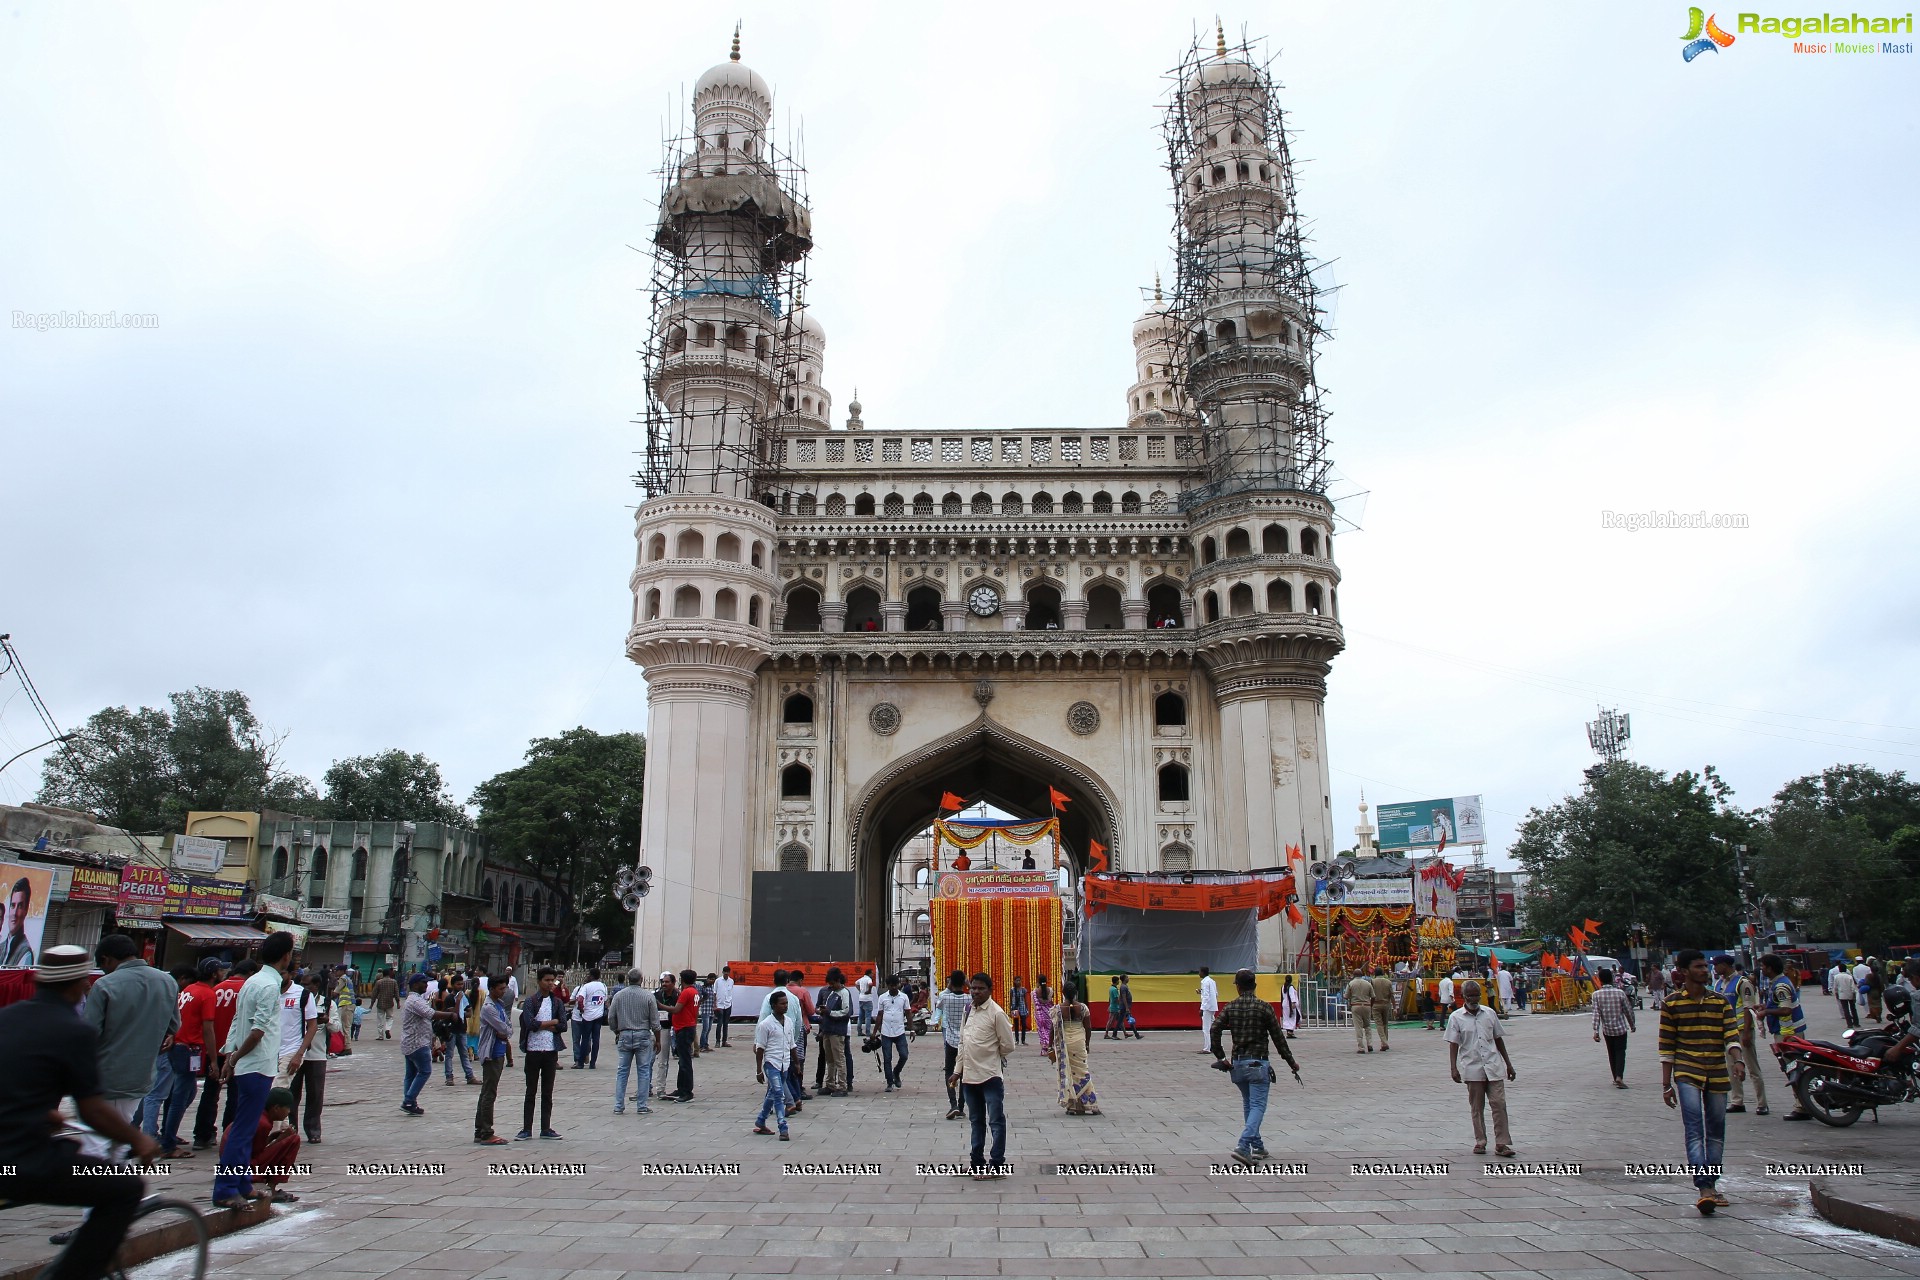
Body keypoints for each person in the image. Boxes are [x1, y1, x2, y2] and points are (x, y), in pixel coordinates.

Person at [0, 946, 158, 1280]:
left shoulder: (8, 1018)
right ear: (78, 984)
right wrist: (139, 1139)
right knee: (125, 1189)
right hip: (24, 1161)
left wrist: (43, 1112)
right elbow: (93, 1111)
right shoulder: (74, 1030)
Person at [215, 930, 295, 1209]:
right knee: (242, 1130)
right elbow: (257, 1030)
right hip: (257, 1064)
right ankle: (226, 1188)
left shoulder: (252, 981)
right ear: (287, 956)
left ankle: (242, 1184)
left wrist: (229, 1055)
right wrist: (234, 1058)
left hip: (251, 1062)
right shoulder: (269, 986)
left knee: (245, 1129)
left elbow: (239, 1021)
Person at [1659, 949, 1741, 1214]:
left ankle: (1713, 1184)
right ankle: (1704, 1187)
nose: (1705, 971)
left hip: (1717, 1071)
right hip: (1686, 1072)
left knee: (1716, 1131)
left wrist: (1737, 1059)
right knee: (1694, 1129)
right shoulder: (1671, 1004)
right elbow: (1667, 1046)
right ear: (1683, 972)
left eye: (1705, 966)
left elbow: (1731, 1033)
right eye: (1698, 967)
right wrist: (1666, 1084)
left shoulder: (1720, 1002)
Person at [85, 934, 180, 1156]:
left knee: (96, 1140)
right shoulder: (167, 982)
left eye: (102, 966)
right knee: (122, 1132)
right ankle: (118, 1186)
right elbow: (174, 1024)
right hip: (141, 1074)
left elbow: (89, 1034)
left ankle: (100, 1185)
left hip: (104, 1075)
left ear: (107, 959)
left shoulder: (104, 985)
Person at [1210, 967, 1301, 1164]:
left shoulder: (1230, 1007)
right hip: (1259, 1063)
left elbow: (1214, 1028)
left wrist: (1221, 1056)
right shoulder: (1264, 1007)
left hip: (1238, 1064)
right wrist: (1291, 1062)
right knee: (1258, 1105)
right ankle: (1243, 1146)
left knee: (1249, 1104)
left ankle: (1257, 1146)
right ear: (1255, 985)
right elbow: (1278, 1039)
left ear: (1238, 987)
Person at [948, 972, 1016, 1178]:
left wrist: (991, 1057)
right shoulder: (968, 1010)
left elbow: (1008, 1045)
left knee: (995, 1121)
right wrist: (957, 1071)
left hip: (990, 1077)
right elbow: (962, 1043)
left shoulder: (996, 1013)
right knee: (976, 1121)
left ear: (990, 990)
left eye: (980, 989)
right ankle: (977, 1163)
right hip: (969, 1078)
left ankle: (997, 1166)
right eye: (973, 988)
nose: (975, 992)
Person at [1445, 980, 1516, 1158]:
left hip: (1493, 1066)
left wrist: (1508, 1063)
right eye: (1470, 995)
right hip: (1472, 1068)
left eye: (1476, 995)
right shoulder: (1456, 1017)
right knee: (1477, 1107)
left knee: (1499, 1104)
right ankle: (1481, 1141)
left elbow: (1498, 1039)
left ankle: (1502, 1143)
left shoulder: (1489, 1014)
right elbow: (1453, 1044)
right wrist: (1453, 1068)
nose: (1474, 998)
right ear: (1464, 997)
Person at [225, 1086, 303, 1204]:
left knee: (288, 1141)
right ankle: (271, 1188)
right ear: (276, 1108)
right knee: (293, 1140)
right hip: (241, 1167)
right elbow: (257, 1154)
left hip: (233, 1163)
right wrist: (282, 1139)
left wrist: (272, 1138)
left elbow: (253, 1147)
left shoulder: (258, 1114)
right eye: (287, 1108)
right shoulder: (263, 1123)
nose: (289, 1112)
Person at [516, 967, 568, 1139]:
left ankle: (545, 1128)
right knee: (531, 1091)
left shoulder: (557, 1002)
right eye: (546, 980)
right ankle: (526, 1128)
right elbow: (530, 1024)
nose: (550, 983)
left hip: (550, 1051)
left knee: (547, 1092)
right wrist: (551, 1022)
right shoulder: (531, 1001)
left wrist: (546, 1024)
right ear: (539, 981)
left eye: (552, 980)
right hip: (533, 1050)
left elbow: (563, 1025)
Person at [1758, 953, 1810, 1120]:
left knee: (1793, 1068)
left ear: (1770, 968)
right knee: (1792, 1068)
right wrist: (1765, 1006)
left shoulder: (1781, 986)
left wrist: (1766, 1011)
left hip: (1788, 1032)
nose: (1761, 969)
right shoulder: (1779, 983)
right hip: (1787, 1031)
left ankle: (1802, 1106)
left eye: (1763, 966)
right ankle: (1802, 1103)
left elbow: (1786, 1010)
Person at [607, 967, 660, 1117]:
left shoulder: (619, 996)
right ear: (641, 979)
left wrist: (616, 1030)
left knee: (622, 1071)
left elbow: (611, 1017)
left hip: (624, 1033)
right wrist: (657, 1039)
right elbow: (655, 1021)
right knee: (643, 1071)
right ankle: (641, 1105)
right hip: (643, 1034)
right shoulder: (648, 996)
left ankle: (618, 1105)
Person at [283, 970, 327, 1144]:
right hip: (294, 1054)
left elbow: (336, 1028)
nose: (304, 987)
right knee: (291, 1094)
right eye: (301, 983)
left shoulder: (327, 1002)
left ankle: (313, 1129)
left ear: (316, 986)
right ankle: (291, 1128)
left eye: (307, 984)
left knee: (315, 1095)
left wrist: (327, 1021)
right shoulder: (295, 999)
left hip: (316, 1055)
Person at [472, 972, 515, 1144]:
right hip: (492, 1053)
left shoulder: (499, 1003)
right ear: (492, 989)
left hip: (499, 1050)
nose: (503, 991)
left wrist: (505, 1032)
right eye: (500, 988)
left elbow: (508, 1028)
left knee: (487, 1092)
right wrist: (505, 1032)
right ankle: (486, 1131)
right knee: (489, 1093)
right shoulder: (489, 1007)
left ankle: (480, 1129)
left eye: (505, 988)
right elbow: (503, 1028)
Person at [1046, 982, 1099, 1115]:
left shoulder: (1057, 1009)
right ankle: (1090, 1104)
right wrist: (1087, 1044)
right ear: (1075, 993)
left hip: (1065, 1045)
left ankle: (1074, 1106)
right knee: (1083, 1072)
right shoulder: (1083, 1008)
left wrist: (1049, 1046)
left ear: (1063, 993)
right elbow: (1088, 1027)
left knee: (1070, 1074)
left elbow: (1052, 1029)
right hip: (1079, 1042)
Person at [1724, 960, 1769, 1116]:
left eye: (1717, 965)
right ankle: (1737, 1101)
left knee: (1752, 1067)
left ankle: (1762, 1103)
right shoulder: (1720, 984)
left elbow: (1748, 1007)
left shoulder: (1743, 983)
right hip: (1729, 1031)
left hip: (1743, 1030)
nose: (1714, 969)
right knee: (1731, 1067)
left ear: (1726, 965)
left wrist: (1748, 1031)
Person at [753, 989, 797, 1140]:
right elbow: (760, 1049)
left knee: (772, 1094)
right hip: (771, 1063)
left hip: (785, 1064)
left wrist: (796, 1063)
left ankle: (761, 1121)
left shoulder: (789, 1022)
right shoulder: (766, 1025)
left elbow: (792, 1045)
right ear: (773, 1005)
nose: (785, 1006)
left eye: (786, 1003)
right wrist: (759, 1070)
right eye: (782, 1004)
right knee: (779, 1094)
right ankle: (783, 1127)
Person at [398, 974, 438, 1117]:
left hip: (410, 1042)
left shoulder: (416, 999)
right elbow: (431, 1014)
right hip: (417, 1043)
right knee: (425, 1071)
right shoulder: (415, 1001)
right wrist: (450, 1015)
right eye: (423, 983)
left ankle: (411, 1103)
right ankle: (408, 1100)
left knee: (411, 1074)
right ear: (415, 985)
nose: (426, 985)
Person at [1590, 968, 1636, 1088]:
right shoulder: (1620, 993)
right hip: (1621, 1029)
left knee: (1611, 1053)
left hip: (1607, 1030)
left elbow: (1596, 1013)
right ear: (1611, 979)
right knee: (1620, 1052)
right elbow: (1628, 1011)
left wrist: (1596, 1031)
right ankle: (1619, 1076)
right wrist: (1632, 1025)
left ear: (1600, 980)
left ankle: (1615, 1077)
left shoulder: (1596, 995)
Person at [936, 970, 972, 1119]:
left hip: (950, 1040)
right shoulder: (969, 999)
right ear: (964, 982)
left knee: (949, 1071)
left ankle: (953, 1104)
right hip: (965, 1041)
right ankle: (962, 1105)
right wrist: (968, 985)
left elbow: (939, 1005)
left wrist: (950, 985)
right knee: (963, 1074)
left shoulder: (945, 997)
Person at [815, 967, 854, 1096]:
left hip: (837, 1031)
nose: (831, 986)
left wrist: (830, 1012)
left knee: (839, 1059)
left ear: (838, 980)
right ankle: (830, 1084)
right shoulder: (832, 992)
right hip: (828, 1030)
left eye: (832, 983)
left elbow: (847, 1012)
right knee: (829, 1059)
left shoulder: (844, 993)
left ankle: (842, 1086)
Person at [668, 967, 700, 1102]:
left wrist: (660, 1005)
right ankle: (681, 1088)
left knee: (685, 1060)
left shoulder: (687, 992)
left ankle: (686, 1090)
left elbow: (676, 1009)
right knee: (683, 1060)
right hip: (688, 1026)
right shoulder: (694, 991)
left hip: (684, 1028)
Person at [875, 973, 911, 1090]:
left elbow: (908, 1013)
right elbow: (879, 1015)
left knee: (904, 1055)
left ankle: (896, 1072)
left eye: (895, 985)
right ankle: (889, 1082)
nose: (894, 987)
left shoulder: (904, 997)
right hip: (886, 1032)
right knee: (887, 1058)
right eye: (891, 985)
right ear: (888, 986)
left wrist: (911, 1029)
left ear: (898, 985)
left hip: (899, 1031)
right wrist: (874, 1031)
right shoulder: (882, 998)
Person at [571, 968, 608, 1069]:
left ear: (591, 976)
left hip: (587, 1016)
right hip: (598, 1016)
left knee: (585, 1039)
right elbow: (605, 1000)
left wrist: (582, 1009)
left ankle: (581, 1062)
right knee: (596, 1039)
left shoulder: (587, 986)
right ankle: (593, 1063)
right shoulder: (603, 986)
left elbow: (580, 999)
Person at [1, 875, 37, 968]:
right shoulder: (2, 946)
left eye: (20, 906)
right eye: (13, 905)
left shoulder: (25, 953)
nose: (14, 913)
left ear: (26, 910)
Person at [651, 973, 677, 1100]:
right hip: (654, 1028)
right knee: (648, 1060)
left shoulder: (677, 996)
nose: (664, 984)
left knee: (662, 1061)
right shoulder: (656, 995)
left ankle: (660, 1088)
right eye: (663, 982)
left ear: (673, 983)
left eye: (667, 982)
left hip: (666, 1029)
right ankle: (646, 1087)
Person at [1344, 970, 1376, 1053]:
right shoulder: (1368, 984)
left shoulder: (1351, 983)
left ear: (1354, 975)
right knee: (1367, 1026)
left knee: (1358, 1027)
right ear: (1362, 975)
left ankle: (1361, 1047)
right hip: (1367, 1006)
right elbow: (1373, 996)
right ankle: (1370, 1044)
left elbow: (1346, 996)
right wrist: (1370, 1005)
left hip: (1356, 1006)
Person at [1369, 967, 1395, 1047]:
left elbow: (1370, 994)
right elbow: (1392, 995)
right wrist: (1395, 1007)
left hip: (1376, 1004)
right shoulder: (1388, 982)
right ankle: (1384, 1042)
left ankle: (1384, 1042)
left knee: (1379, 1024)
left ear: (1375, 974)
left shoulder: (1372, 982)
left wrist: (1370, 1005)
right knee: (1385, 1024)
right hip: (1386, 1004)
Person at [371, 967, 399, 1038]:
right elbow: (396, 993)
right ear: (389, 974)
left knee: (380, 1019)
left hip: (380, 1003)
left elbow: (374, 994)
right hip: (390, 1003)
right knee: (389, 1018)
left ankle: (380, 1035)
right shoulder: (394, 982)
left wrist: (371, 1004)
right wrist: (398, 1003)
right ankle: (387, 1029)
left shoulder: (379, 982)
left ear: (382, 974)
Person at [1197, 966, 1219, 1052]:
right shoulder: (1212, 981)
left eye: (1199, 972)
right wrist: (1201, 992)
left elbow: (1206, 997)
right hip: (1213, 1006)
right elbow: (1215, 993)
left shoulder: (1205, 982)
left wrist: (1202, 1008)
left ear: (1203, 972)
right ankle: (1213, 1046)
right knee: (1212, 1028)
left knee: (1206, 1029)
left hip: (1207, 1007)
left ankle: (1207, 1048)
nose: (1199, 974)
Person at [713, 967, 735, 1048]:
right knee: (720, 1023)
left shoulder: (731, 981)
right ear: (722, 972)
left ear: (729, 973)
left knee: (726, 1024)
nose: (726, 974)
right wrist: (714, 1005)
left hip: (728, 1004)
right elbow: (714, 993)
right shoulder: (718, 981)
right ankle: (717, 1041)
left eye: (727, 972)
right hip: (720, 1004)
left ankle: (724, 1041)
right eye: (725, 972)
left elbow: (730, 992)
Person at [1833, 963, 1860, 1029]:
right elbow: (1853, 987)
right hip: (1850, 994)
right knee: (1853, 1009)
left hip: (1842, 994)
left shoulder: (1836, 977)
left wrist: (1836, 994)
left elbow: (1835, 987)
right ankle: (1856, 1023)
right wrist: (1854, 995)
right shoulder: (1849, 976)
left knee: (1846, 1009)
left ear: (1839, 969)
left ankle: (1849, 1024)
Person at [695, 973, 716, 1053]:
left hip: (711, 1011)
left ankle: (706, 1045)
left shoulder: (712, 987)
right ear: (707, 979)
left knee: (709, 1029)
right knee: (705, 1029)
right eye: (711, 979)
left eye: (713, 979)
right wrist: (701, 1002)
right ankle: (702, 1045)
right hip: (705, 1010)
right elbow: (700, 996)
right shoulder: (703, 987)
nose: (712, 981)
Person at [1008, 977, 1030, 1046]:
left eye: (1019, 980)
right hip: (1015, 1008)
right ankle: (1017, 1040)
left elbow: (1025, 1000)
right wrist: (1010, 1009)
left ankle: (1023, 1040)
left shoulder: (1023, 990)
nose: (1018, 982)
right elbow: (1011, 1000)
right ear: (1014, 981)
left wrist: (1027, 1009)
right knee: (1016, 1024)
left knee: (1023, 1024)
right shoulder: (1012, 990)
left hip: (1022, 1007)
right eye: (1017, 980)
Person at [1105, 974, 1126, 1040]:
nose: (1119, 982)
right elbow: (1117, 999)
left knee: (1120, 1021)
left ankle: (1125, 1033)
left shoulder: (1111, 988)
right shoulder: (1114, 990)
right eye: (1118, 981)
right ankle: (1106, 1034)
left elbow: (1110, 998)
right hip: (1115, 1008)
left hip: (1113, 1006)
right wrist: (1120, 1007)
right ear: (1116, 981)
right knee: (1111, 1021)